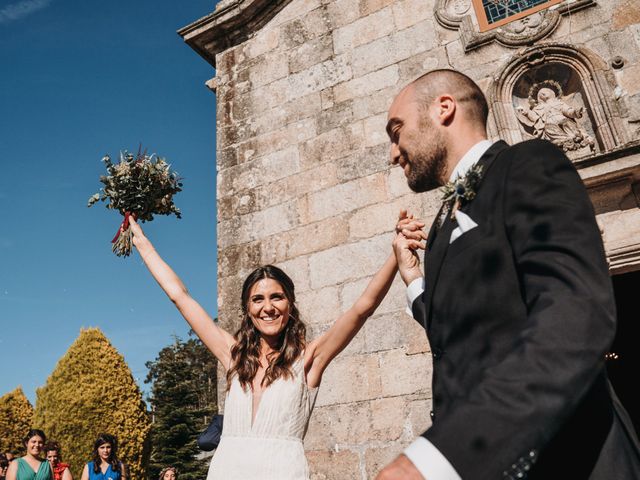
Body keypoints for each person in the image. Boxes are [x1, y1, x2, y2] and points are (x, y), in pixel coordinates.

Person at [377, 69, 640, 479]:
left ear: (444, 108)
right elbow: (469, 332)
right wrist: (414, 281)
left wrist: (439, 458)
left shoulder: (527, 164)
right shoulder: (444, 222)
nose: (394, 153)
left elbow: (575, 318)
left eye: (397, 130)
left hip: (570, 459)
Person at [128, 214, 411, 480]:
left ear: (290, 305)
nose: (268, 307)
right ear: (247, 308)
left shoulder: (309, 359)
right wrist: (140, 240)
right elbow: (180, 296)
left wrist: (395, 254)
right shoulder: (234, 355)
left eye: (277, 297)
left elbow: (361, 309)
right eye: (258, 299)